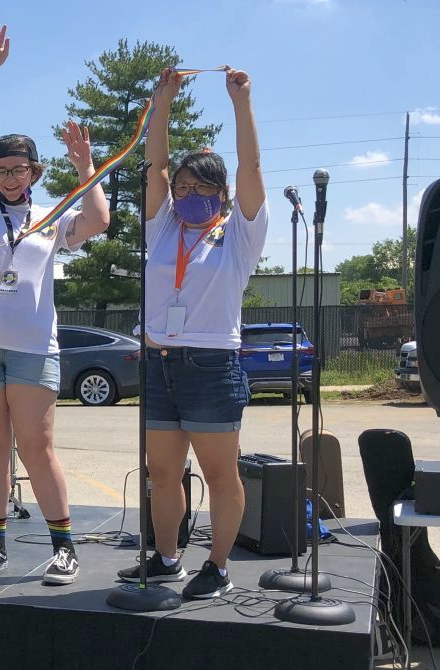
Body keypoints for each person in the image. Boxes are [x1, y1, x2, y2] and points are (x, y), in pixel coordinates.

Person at [0, 24, 110, 583]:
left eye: (21, 169)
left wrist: (86, 167)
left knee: (37, 447)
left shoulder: (51, 215)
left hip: (31, 347)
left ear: (35, 172)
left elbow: (98, 220)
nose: (12, 177)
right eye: (3, 169)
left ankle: (63, 546)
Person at [117, 66, 266, 600]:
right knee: (162, 472)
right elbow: (155, 161)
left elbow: (251, 164)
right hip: (158, 363)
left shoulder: (239, 235)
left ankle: (219, 565)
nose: (187, 193)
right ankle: (166, 558)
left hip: (211, 366)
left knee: (221, 475)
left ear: (220, 192)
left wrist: (240, 103)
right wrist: (162, 100)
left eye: (200, 186)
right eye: (181, 186)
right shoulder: (163, 226)